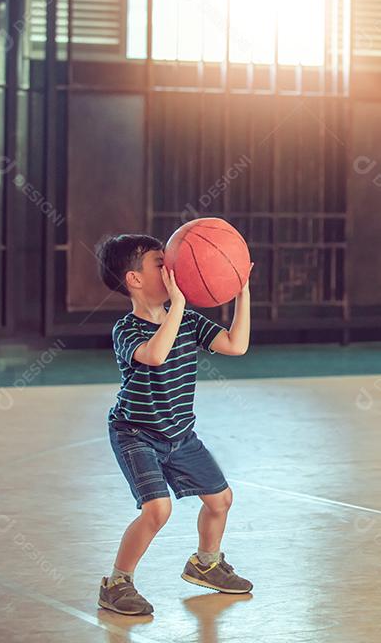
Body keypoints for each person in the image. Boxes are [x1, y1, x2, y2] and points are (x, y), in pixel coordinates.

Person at [94, 234, 254, 616]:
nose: (171, 270)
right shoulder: (126, 329)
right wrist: (179, 304)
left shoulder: (187, 320)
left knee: (221, 500)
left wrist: (241, 291)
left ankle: (206, 564)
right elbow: (155, 354)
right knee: (157, 511)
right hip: (136, 434)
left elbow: (236, 345)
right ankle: (117, 584)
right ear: (134, 279)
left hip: (180, 434)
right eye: (159, 264)